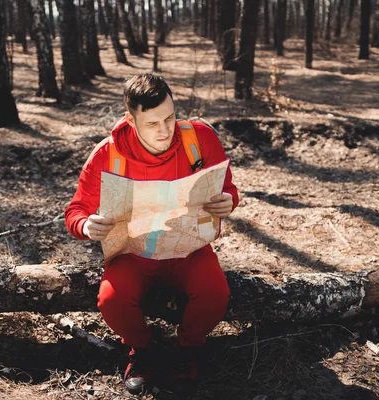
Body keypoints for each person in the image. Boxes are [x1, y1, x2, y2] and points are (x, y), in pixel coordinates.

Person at [64, 73, 239, 395]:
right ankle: (141, 351)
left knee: (215, 293)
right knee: (111, 299)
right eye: (152, 123)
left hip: (189, 248)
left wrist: (228, 201)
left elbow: (226, 188)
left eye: (170, 117)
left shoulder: (199, 139)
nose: (164, 130)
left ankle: (186, 350)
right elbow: (75, 211)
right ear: (131, 119)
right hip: (133, 253)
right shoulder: (107, 155)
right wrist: (86, 225)